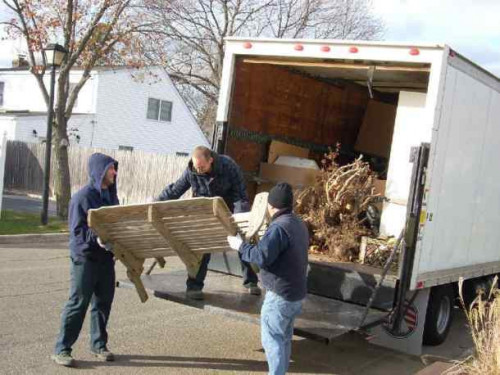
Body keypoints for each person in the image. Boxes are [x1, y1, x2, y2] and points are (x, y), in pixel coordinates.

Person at [156, 145, 261, 300]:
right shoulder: (192, 170)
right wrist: (157, 203)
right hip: (206, 214)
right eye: (196, 167)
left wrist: (239, 220)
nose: (198, 170)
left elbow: (240, 195)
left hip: (229, 210)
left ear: (211, 160)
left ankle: (251, 282)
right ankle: (194, 287)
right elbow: (175, 190)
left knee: (241, 239)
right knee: (202, 245)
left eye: (202, 167)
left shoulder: (229, 166)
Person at [227, 182, 309, 375]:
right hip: (296, 294)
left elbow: (261, 257)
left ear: (271, 206)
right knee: (284, 339)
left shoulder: (278, 228)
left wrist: (240, 246)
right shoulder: (299, 224)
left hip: (280, 295)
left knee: (272, 341)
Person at [52, 153, 119, 367]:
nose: (114, 173)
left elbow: (115, 223)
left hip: (106, 259)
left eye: (114, 169)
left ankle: (98, 345)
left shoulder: (111, 196)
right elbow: (77, 233)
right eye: (110, 169)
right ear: (100, 171)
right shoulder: (82, 198)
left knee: (103, 302)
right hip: (85, 259)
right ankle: (62, 349)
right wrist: (97, 238)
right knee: (78, 303)